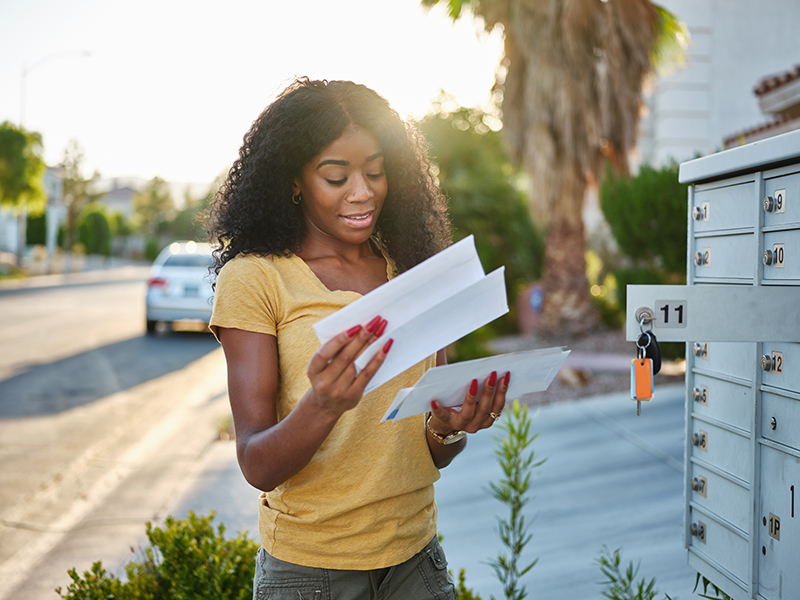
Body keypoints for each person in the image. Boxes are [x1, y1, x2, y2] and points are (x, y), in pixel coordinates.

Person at [206, 78, 510, 600]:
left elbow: (426, 453)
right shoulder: (257, 278)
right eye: (335, 176)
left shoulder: (412, 269)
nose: (362, 191)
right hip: (311, 570)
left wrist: (449, 426)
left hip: (416, 558)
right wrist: (323, 404)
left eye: (375, 171)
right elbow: (257, 463)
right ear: (295, 180)